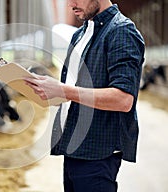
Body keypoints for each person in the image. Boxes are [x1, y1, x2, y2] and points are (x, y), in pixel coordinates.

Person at [24, 0, 145, 191]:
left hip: (98, 152)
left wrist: (64, 90)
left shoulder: (121, 31)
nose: (71, 4)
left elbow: (123, 99)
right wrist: (49, 90)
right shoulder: (79, 35)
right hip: (73, 146)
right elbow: (77, 91)